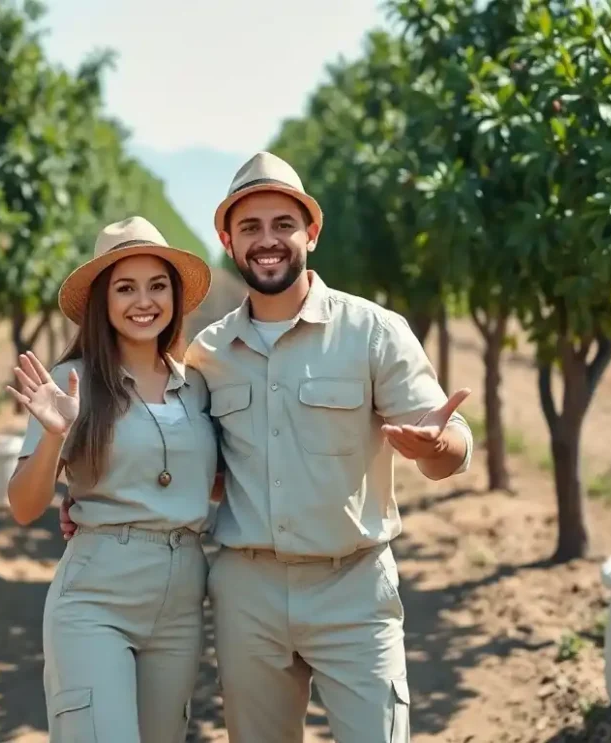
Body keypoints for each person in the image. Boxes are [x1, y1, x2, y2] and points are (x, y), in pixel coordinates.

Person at [60, 152, 473, 742]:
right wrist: (91, 496)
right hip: (246, 595)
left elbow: (450, 449)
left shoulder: (374, 332)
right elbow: (176, 451)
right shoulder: (207, 355)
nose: (268, 241)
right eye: (250, 228)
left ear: (312, 230)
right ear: (228, 241)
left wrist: (437, 446)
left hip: (352, 589)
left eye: (283, 224)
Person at [5, 215, 220, 742]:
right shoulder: (71, 383)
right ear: (102, 301)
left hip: (181, 600)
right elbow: (22, 506)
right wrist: (55, 435)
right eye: (125, 288)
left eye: (157, 286)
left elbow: (212, 482)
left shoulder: (197, 386)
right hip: (97, 598)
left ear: (174, 297)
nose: (143, 301)